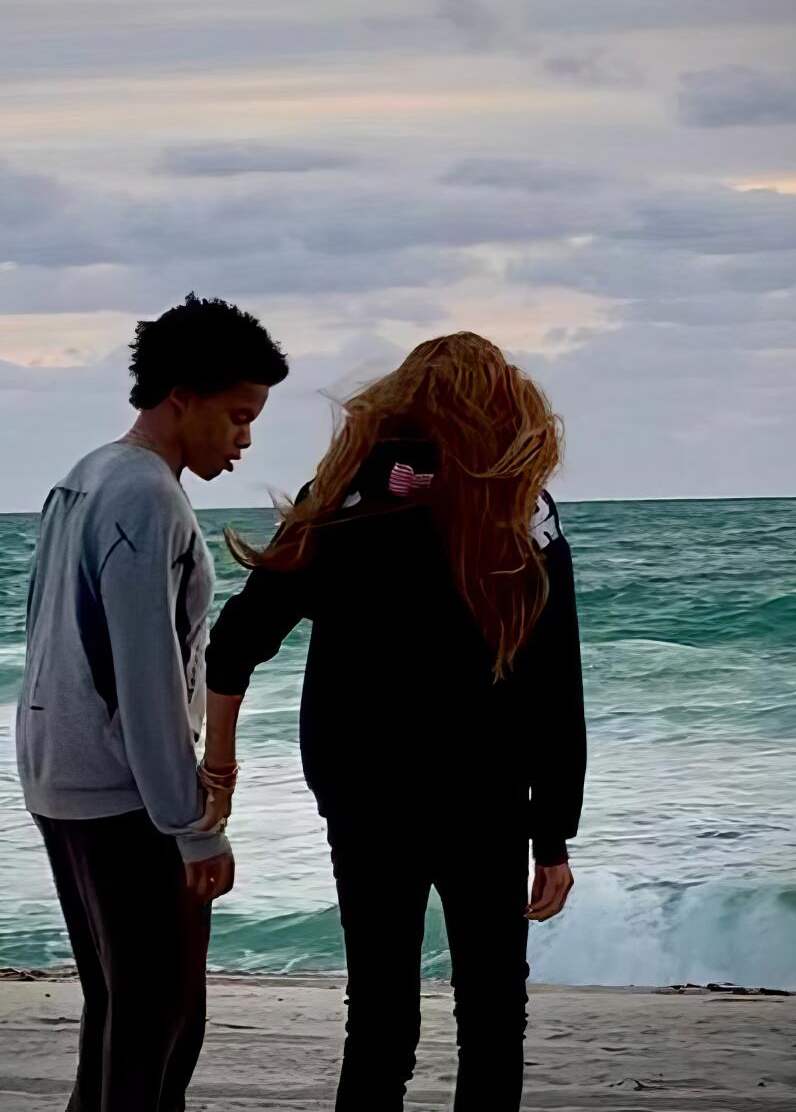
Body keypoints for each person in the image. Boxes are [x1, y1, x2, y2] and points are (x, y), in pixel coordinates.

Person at [202, 331, 586, 1111]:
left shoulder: (341, 496)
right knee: (492, 1016)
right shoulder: (522, 513)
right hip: (485, 797)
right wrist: (553, 835)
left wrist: (221, 767)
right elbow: (555, 689)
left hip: (365, 795)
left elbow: (237, 642)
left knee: (378, 1015)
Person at [15, 293, 288, 1112]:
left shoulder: (85, 476)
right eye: (238, 415)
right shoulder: (144, 496)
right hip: (123, 797)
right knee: (163, 1021)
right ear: (183, 397)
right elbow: (146, 676)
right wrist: (195, 825)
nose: (245, 438)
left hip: (61, 779)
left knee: (121, 1013)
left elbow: (44, 638)